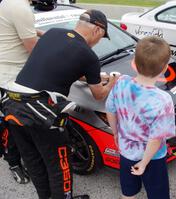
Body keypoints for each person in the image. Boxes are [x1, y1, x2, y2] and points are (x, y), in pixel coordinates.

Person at [2, 10, 117, 199]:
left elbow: (63, 63)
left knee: (34, 161)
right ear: (98, 29)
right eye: (102, 37)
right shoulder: (88, 55)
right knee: (59, 164)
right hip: (41, 111)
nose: (98, 42)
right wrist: (111, 81)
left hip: (13, 103)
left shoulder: (54, 33)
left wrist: (95, 76)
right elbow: (98, 95)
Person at [106, 36, 176, 199]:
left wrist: (116, 133)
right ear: (165, 68)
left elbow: (110, 110)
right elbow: (156, 138)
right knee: (158, 193)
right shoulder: (162, 100)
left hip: (127, 150)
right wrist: (144, 163)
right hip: (153, 157)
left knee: (128, 192)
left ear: (134, 63)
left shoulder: (121, 82)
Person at [0, 0, 42, 184]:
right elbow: (34, 49)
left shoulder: (11, 3)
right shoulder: (20, 7)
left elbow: (25, 32)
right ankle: (14, 163)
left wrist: (44, 34)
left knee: (18, 123)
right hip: (9, 78)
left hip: (13, 73)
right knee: (14, 124)